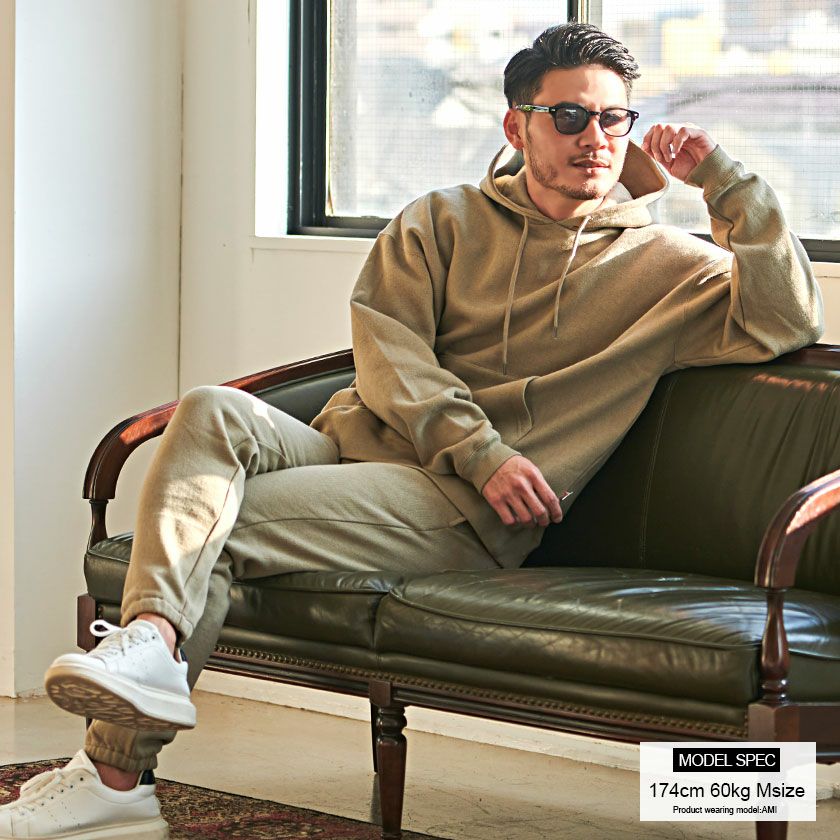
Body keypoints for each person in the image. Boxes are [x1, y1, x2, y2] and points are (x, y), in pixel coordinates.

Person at [0, 21, 822, 840]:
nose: (595, 139)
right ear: (518, 126)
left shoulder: (667, 270)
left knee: (209, 528)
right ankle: (148, 654)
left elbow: (785, 320)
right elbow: (387, 351)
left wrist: (724, 180)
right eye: (570, 116)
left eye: (613, 119)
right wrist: (480, 445)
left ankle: (113, 775)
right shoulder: (442, 218)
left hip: (464, 512)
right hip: (354, 451)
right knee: (210, 407)